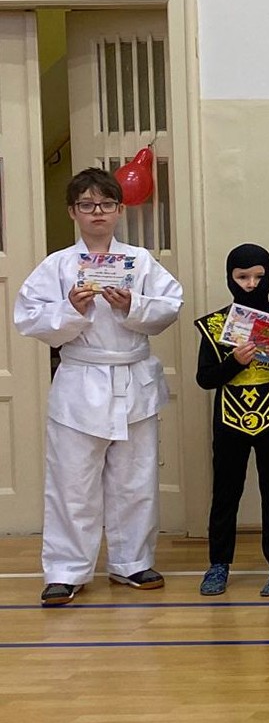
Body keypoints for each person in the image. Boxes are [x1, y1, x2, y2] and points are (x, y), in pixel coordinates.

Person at [13, 167, 184, 607]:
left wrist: (134, 305)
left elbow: (170, 306)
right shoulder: (57, 266)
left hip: (132, 377)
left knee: (136, 478)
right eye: (87, 205)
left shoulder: (139, 261)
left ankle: (132, 562)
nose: (97, 213)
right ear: (73, 212)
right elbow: (28, 316)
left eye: (106, 204)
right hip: (81, 380)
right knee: (72, 481)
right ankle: (66, 570)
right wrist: (70, 309)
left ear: (119, 210)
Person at [195, 244, 269, 597]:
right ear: (230, 278)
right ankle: (218, 564)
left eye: (259, 276)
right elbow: (205, 378)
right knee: (225, 492)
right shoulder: (214, 325)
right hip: (228, 416)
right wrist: (234, 363)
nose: (252, 284)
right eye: (242, 277)